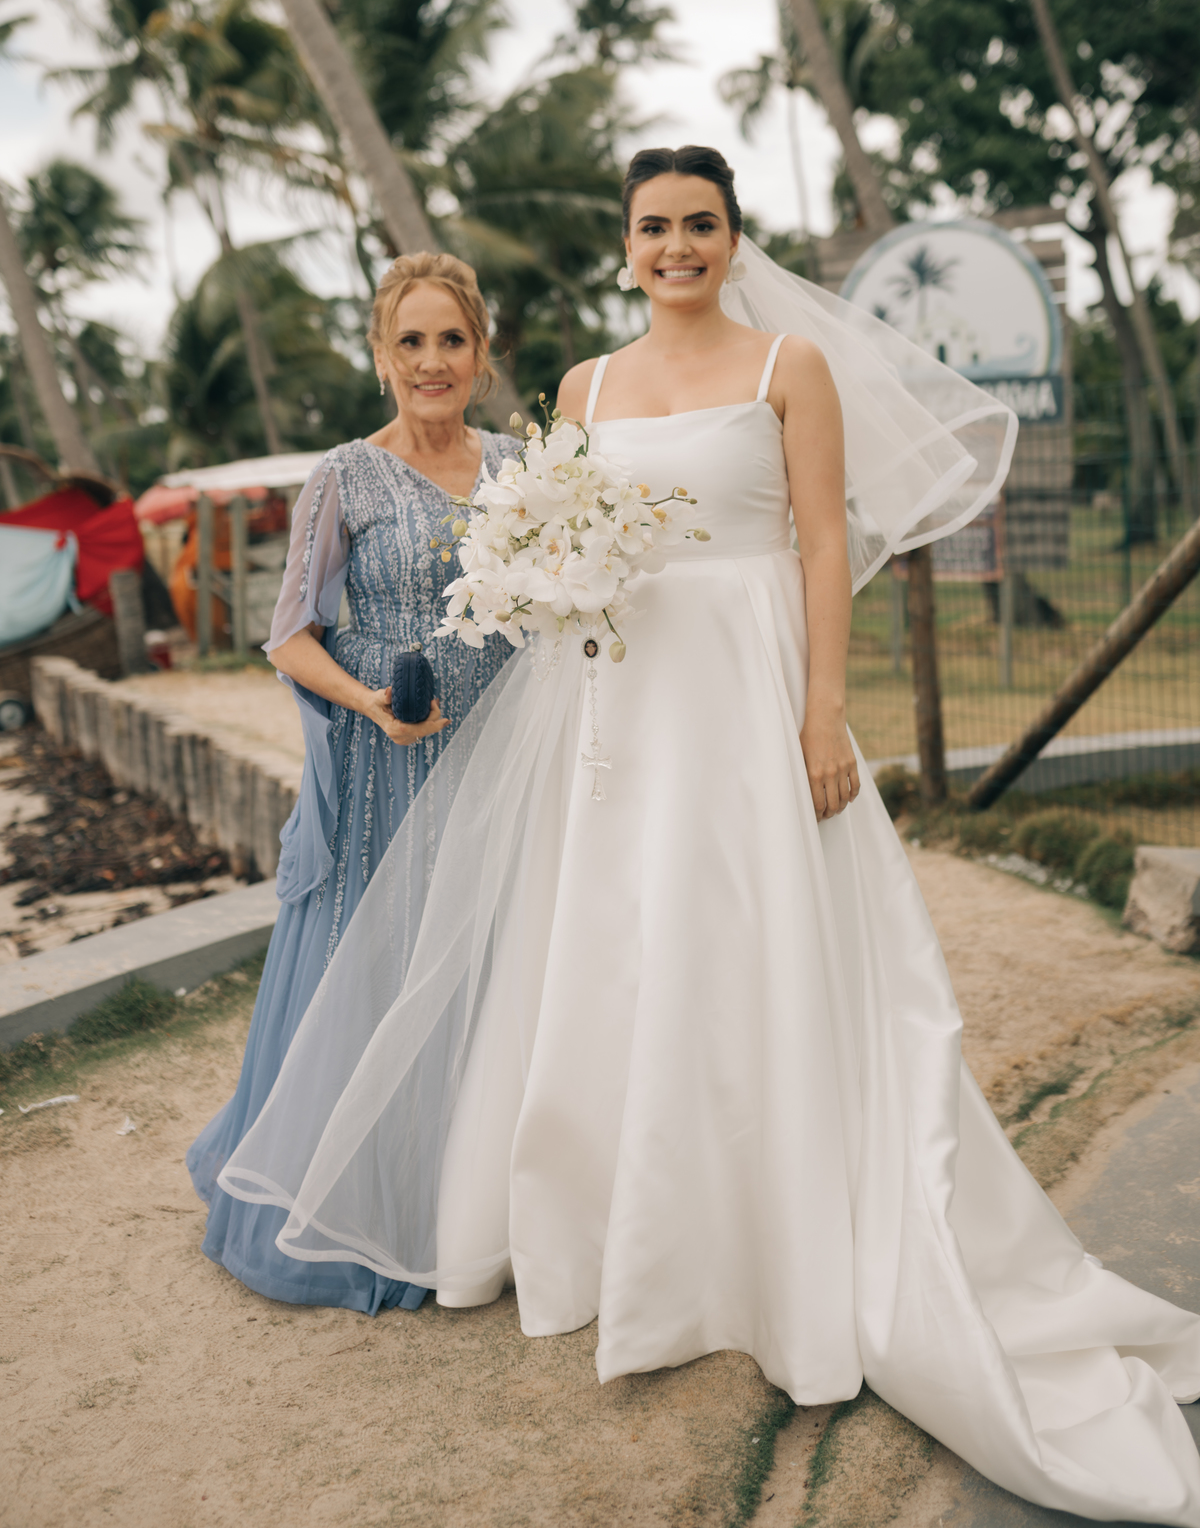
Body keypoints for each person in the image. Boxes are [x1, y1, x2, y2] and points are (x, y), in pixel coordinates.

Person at [220, 150, 1200, 1523]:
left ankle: (778, 1247)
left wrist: (823, 712)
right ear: (626, 245)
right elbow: (544, 544)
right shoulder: (582, 392)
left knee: (757, 951)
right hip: (617, 704)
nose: (676, 243)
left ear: (734, 237)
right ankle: (619, 1242)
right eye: (654, 226)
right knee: (615, 956)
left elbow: (814, 545)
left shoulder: (788, 362)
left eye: (699, 223)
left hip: (747, 693)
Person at [186, 251, 520, 1314]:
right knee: (377, 967)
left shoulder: (526, 468)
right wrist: (374, 702)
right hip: (387, 759)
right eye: (410, 341)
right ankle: (355, 1210)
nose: (433, 361)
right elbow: (290, 636)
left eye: (451, 339)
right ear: (382, 357)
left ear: (481, 351)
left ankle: (479, 1206)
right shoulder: (343, 475)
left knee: (490, 964)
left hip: (502, 755)